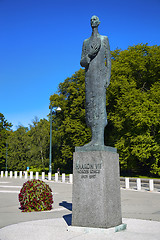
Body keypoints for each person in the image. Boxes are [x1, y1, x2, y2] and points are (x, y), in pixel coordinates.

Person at [80, 15, 111, 146]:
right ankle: (94, 139)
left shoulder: (104, 39)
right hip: (90, 77)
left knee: (99, 105)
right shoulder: (85, 42)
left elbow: (108, 60)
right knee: (90, 106)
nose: (93, 21)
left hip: (100, 76)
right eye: (91, 20)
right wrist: (89, 55)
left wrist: (107, 77)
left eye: (95, 19)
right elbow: (82, 62)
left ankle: (99, 140)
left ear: (99, 22)